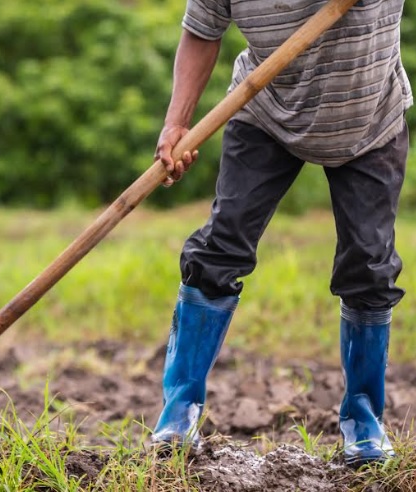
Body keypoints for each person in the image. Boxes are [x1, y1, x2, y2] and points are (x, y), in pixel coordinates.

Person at [151, 0, 412, 467]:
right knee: (219, 249)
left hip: (370, 120)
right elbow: (201, 31)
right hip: (265, 112)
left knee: (369, 266)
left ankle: (364, 421)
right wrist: (176, 124)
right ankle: (178, 414)